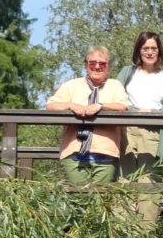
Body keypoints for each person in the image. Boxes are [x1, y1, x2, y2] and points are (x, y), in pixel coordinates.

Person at [116, 32, 163, 225]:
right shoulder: (128, 72)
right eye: (145, 48)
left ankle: (144, 237)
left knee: (150, 182)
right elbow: (116, 98)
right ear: (139, 51)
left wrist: (150, 112)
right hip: (126, 130)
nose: (150, 52)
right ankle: (121, 235)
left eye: (153, 48)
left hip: (153, 132)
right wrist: (135, 110)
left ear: (159, 51)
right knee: (124, 179)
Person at [46, 46, 128, 184]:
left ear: (109, 67)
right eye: (92, 63)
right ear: (86, 65)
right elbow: (51, 105)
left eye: (102, 64)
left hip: (105, 153)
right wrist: (71, 105)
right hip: (74, 153)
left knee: (101, 200)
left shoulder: (115, 85)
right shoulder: (71, 85)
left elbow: (122, 106)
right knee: (79, 199)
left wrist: (101, 106)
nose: (97, 67)